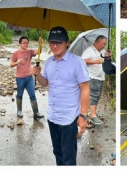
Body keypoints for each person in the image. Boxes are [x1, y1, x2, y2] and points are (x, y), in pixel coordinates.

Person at [33, 26, 91, 166]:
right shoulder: (48, 62)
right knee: (57, 152)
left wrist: (82, 116)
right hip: (53, 115)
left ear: (67, 42)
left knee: (69, 157)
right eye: (52, 42)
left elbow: (85, 89)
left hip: (69, 118)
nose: (55, 46)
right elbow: (44, 84)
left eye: (59, 42)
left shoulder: (77, 62)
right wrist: (38, 74)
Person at [10, 36, 44, 123]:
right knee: (20, 94)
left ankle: (36, 112)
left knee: (32, 94)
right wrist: (18, 62)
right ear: (20, 44)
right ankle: (19, 110)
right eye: (24, 43)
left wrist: (40, 44)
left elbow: (39, 51)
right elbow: (11, 64)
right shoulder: (16, 53)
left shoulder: (30, 52)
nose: (25, 44)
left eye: (27, 43)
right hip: (20, 78)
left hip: (29, 77)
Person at [81, 35, 110, 126]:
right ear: (97, 42)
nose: (104, 46)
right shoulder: (89, 51)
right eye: (103, 44)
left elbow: (107, 62)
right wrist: (95, 61)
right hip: (92, 77)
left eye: (105, 44)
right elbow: (82, 60)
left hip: (101, 77)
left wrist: (108, 57)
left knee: (97, 96)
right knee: (94, 96)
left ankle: (92, 113)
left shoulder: (103, 51)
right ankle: (93, 116)